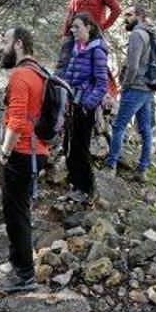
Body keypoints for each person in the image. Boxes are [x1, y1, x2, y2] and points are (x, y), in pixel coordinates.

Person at [0, 27, 48, 293]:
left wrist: (4, 153)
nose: (1, 46)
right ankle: (18, 264)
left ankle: (25, 275)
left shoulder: (20, 75)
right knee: (18, 212)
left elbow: (16, 121)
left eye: (4, 41)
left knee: (16, 215)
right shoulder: (39, 72)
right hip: (36, 151)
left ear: (18, 44)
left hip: (20, 153)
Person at [60, 13, 109, 203]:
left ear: (88, 27)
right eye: (72, 27)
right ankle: (75, 186)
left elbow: (102, 84)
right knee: (68, 146)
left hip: (84, 107)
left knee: (80, 148)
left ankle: (84, 189)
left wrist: (87, 105)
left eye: (77, 27)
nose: (73, 30)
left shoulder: (97, 51)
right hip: (72, 105)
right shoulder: (76, 48)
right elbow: (70, 76)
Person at [105, 4, 156, 183]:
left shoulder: (136, 34)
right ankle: (142, 170)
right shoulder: (150, 33)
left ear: (139, 16)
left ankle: (110, 166)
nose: (125, 18)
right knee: (145, 130)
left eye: (129, 15)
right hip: (148, 88)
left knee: (118, 127)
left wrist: (125, 86)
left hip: (135, 88)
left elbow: (133, 66)